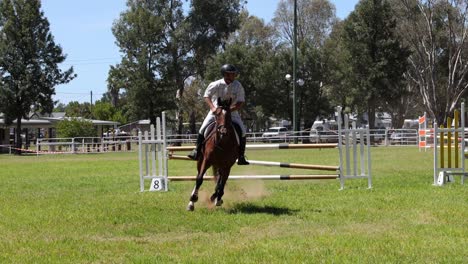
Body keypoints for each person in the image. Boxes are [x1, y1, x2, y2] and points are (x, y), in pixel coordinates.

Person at [188, 64, 249, 165]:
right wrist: (213, 108)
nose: (233, 76)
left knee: (242, 131)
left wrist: (230, 109)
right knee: (202, 129)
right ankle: (197, 151)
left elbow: (241, 101)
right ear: (225, 74)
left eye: (234, 74)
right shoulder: (215, 84)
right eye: (231, 74)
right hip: (216, 111)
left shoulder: (238, 85)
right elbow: (206, 96)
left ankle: (241, 156)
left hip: (232, 112)